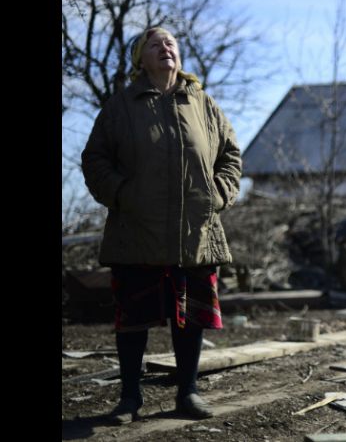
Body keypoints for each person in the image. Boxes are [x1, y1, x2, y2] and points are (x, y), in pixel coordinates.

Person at [81, 27, 242, 424]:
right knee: (133, 317)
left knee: (192, 318)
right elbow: (95, 159)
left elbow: (231, 156)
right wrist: (123, 195)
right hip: (138, 230)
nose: (165, 47)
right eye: (154, 43)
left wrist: (217, 196)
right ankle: (129, 398)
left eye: (170, 42)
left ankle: (187, 393)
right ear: (141, 58)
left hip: (196, 232)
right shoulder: (122, 105)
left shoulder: (204, 104)